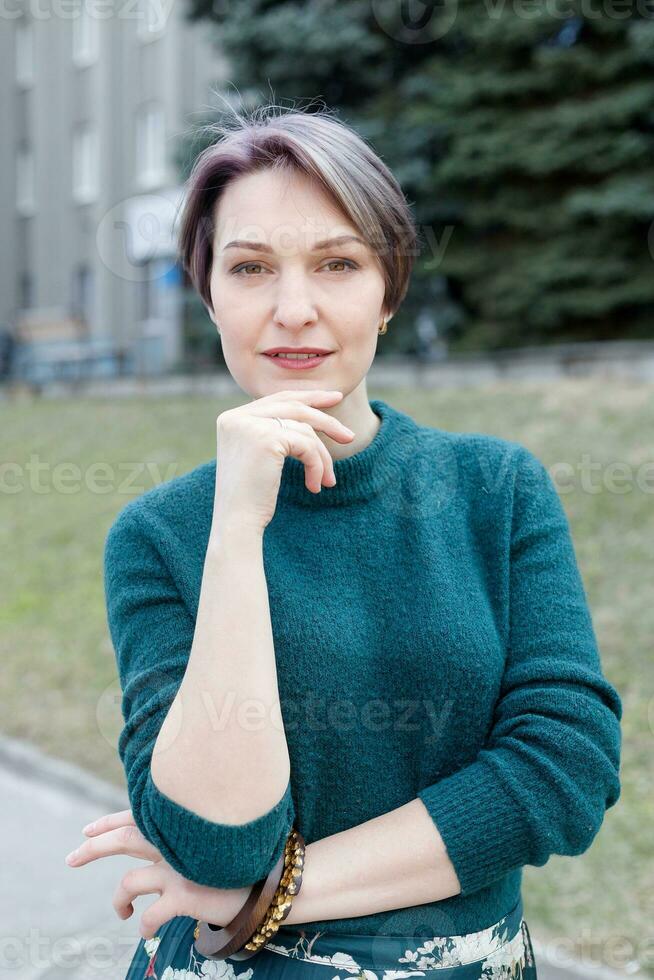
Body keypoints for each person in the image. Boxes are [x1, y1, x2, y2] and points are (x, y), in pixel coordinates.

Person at [64, 104, 622, 980]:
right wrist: (239, 526)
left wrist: (270, 894)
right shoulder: (161, 536)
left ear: (389, 290)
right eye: (250, 268)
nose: (295, 309)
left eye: (338, 263)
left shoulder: (495, 490)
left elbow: (564, 773)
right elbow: (215, 843)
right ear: (207, 294)